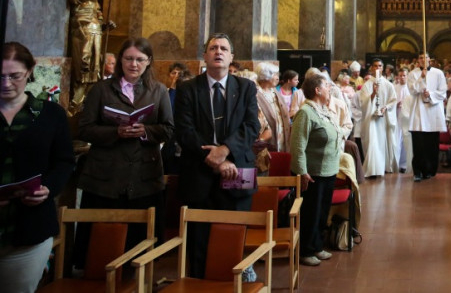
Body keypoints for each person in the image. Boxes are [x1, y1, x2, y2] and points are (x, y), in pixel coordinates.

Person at [76, 37, 174, 265]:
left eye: (140, 59)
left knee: (139, 241)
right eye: (129, 58)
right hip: (106, 175)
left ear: (148, 61)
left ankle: (136, 277)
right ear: (120, 60)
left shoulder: (158, 90)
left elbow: (169, 129)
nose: (134, 64)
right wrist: (116, 132)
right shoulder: (101, 89)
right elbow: (85, 129)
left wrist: (145, 130)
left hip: (143, 175)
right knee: (101, 243)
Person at [173, 33, 260, 278]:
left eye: (223, 48)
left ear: (231, 57)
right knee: (199, 242)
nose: (218, 52)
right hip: (199, 173)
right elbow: (184, 131)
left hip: (237, 170)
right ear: (205, 55)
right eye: (213, 48)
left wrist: (225, 151)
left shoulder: (246, 88)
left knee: (233, 237)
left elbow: (252, 126)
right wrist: (215, 161)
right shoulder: (188, 89)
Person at [0, 42, 75, 293]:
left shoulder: (51, 114)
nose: (6, 83)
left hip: (30, 228)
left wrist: (48, 188)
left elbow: (64, 161)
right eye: (1, 76)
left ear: (30, 71)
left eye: (14, 76)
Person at [290, 75, 344, 266]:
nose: (330, 89)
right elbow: (297, 146)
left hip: (328, 170)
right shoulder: (305, 113)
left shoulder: (324, 111)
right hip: (312, 173)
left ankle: (317, 246)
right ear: (317, 90)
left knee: (322, 212)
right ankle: (305, 250)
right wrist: (302, 172)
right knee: (310, 213)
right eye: (326, 86)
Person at [68, 0, 121, 112]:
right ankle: (75, 106)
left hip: (93, 31)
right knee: (84, 68)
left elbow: (95, 13)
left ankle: (85, 105)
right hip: (84, 30)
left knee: (94, 69)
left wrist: (104, 27)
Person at [407, 52, 447, 182]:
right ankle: (418, 172)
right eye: (420, 58)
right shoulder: (412, 74)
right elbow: (412, 90)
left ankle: (430, 170)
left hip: (433, 111)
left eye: (425, 57)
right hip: (419, 111)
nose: (423, 59)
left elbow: (443, 92)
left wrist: (431, 94)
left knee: (431, 144)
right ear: (418, 60)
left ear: (430, 59)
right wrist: (421, 78)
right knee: (418, 145)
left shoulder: (438, 73)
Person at [359, 58, 398, 177]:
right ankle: (373, 170)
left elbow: (393, 100)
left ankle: (384, 166)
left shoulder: (388, 85)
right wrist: (373, 93)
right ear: (371, 68)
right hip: (371, 119)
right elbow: (363, 103)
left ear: (383, 68)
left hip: (384, 119)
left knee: (382, 142)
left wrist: (386, 107)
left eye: (380, 66)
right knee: (373, 142)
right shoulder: (367, 85)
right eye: (375, 66)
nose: (377, 68)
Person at [255, 63, 290, 155]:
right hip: (266, 139)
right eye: (275, 75)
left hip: (281, 137)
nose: (278, 78)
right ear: (265, 76)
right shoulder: (256, 93)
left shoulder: (274, 91)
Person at [393, 67, 412, 173]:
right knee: (397, 141)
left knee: (406, 142)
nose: (402, 77)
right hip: (397, 117)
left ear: (407, 76)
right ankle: (396, 163)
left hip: (407, 119)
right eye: (400, 75)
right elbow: (390, 102)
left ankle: (405, 164)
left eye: (404, 75)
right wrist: (396, 105)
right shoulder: (394, 88)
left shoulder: (410, 88)